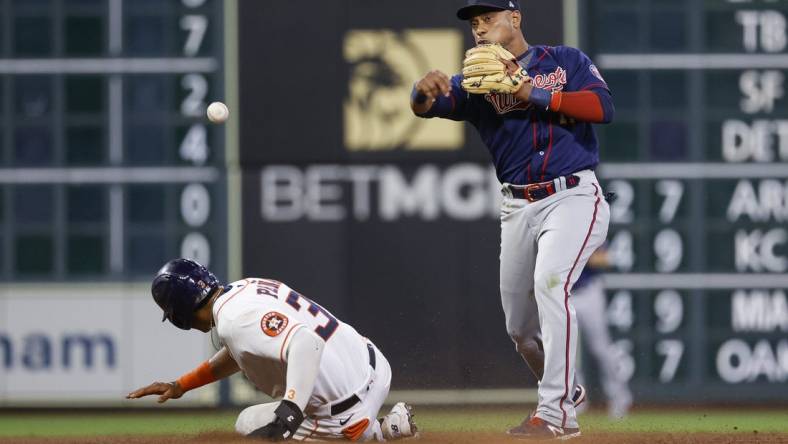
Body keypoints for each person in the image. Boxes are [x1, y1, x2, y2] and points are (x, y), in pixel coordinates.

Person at [410, 0, 613, 439]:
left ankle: (556, 413)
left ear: (514, 19)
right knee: (520, 329)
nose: (480, 28)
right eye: (474, 23)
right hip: (517, 206)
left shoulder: (564, 60)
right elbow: (426, 106)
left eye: (489, 18)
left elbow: (602, 108)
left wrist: (532, 93)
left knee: (551, 282)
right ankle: (565, 389)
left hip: (573, 195)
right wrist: (421, 92)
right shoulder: (475, 84)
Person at [127, 258, 417, 442]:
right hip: (373, 368)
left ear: (178, 313)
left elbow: (307, 343)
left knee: (247, 425)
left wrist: (290, 411)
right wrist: (182, 385)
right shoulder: (244, 288)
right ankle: (386, 428)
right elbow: (241, 353)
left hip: (344, 409)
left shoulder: (234, 321)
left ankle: (367, 433)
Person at [571, 248, 633, 419]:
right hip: (564, 294)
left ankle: (619, 398)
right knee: (567, 352)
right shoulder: (557, 228)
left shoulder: (589, 227)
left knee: (601, 349)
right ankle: (577, 402)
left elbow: (604, 259)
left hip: (588, 292)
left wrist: (581, 254)